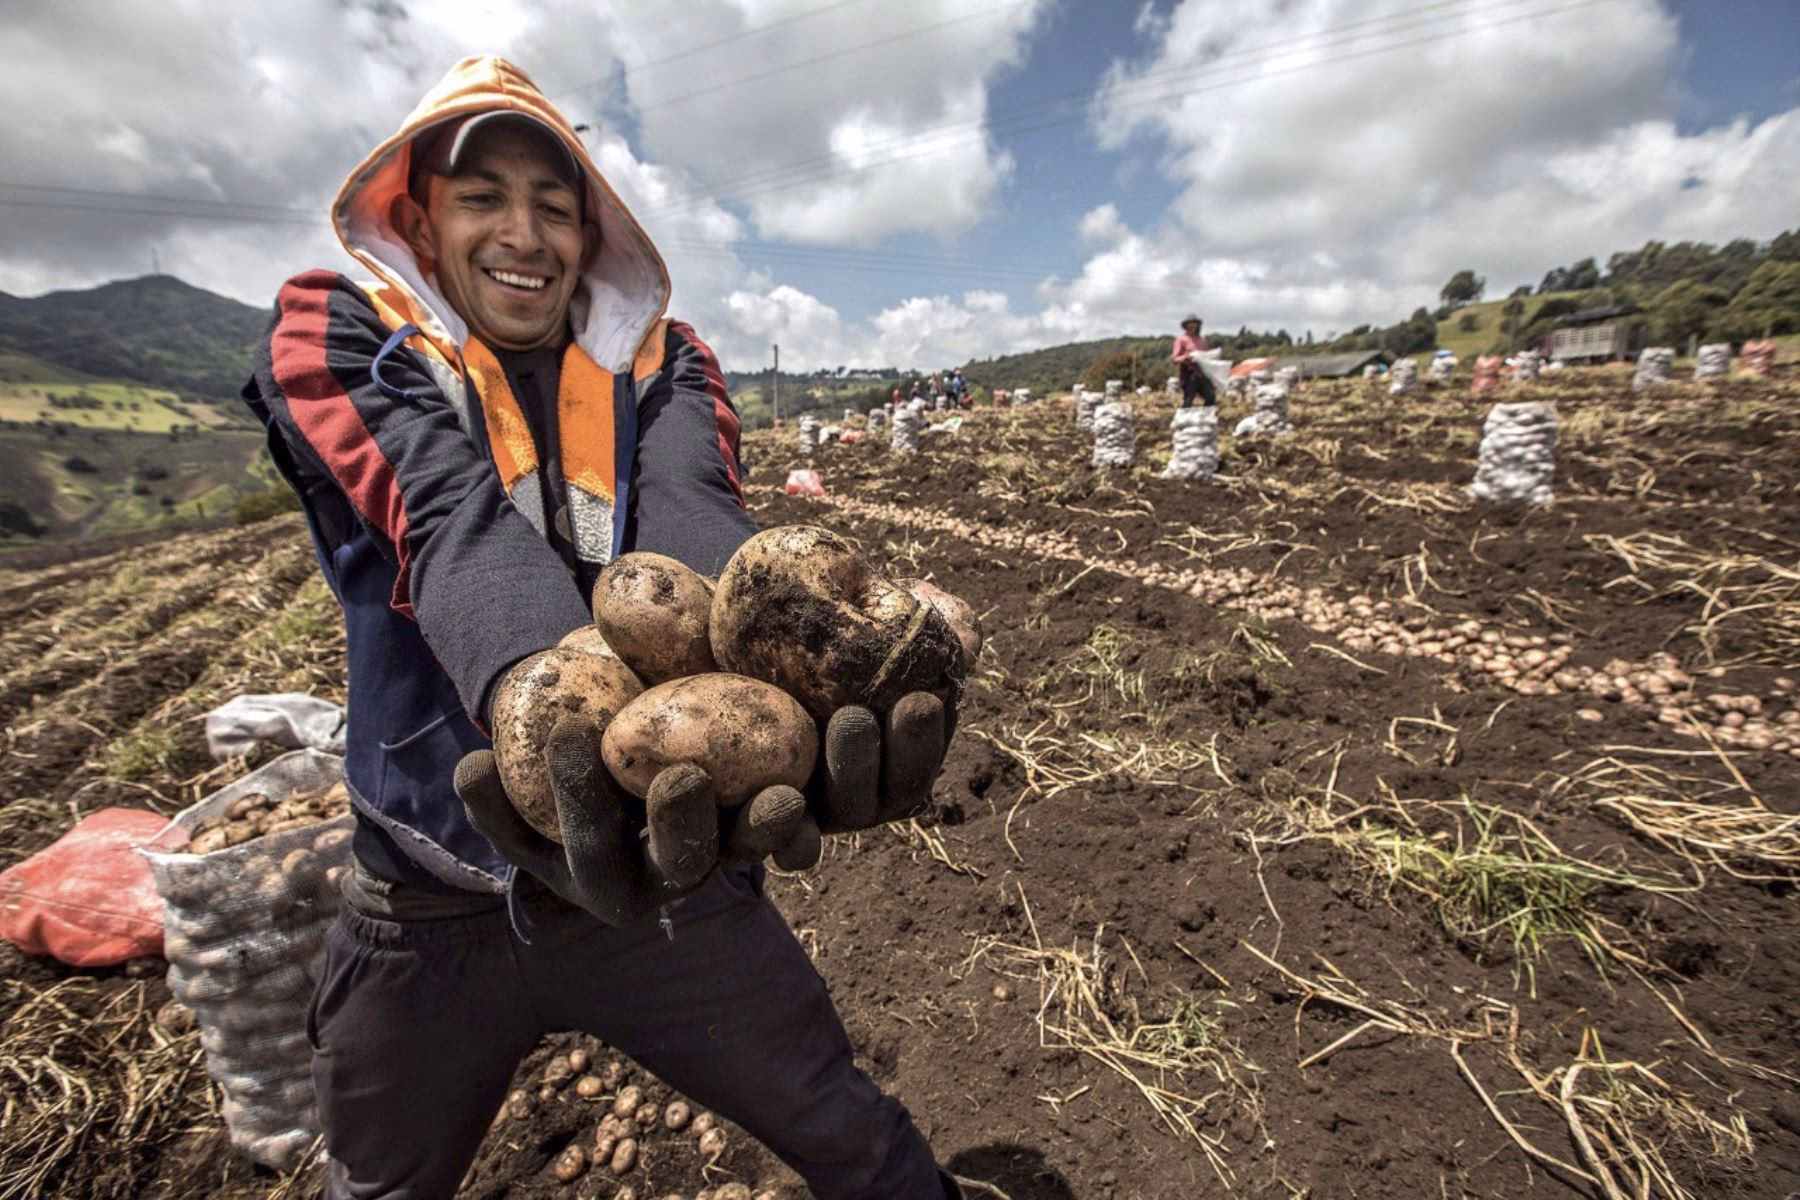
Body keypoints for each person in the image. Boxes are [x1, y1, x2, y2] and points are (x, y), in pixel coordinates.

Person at [244, 55, 968, 1199]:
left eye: (555, 205)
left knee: (850, 1135)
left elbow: (692, 511)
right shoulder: (336, 335)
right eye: (483, 197)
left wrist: (806, 668)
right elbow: (442, 516)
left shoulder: (664, 361)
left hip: (656, 871)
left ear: (592, 234)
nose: (522, 233)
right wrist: (554, 714)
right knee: (377, 1188)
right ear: (422, 219)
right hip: (428, 897)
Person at [1171, 313, 1216, 408]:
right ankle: (1183, 418)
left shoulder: (1202, 340)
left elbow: (1206, 354)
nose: (1192, 326)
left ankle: (1204, 417)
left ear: (1198, 325)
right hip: (1189, 373)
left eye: (1194, 323)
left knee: (1210, 396)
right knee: (1189, 398)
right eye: (1190, 324)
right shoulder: (1181, 339)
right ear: (1186, 326)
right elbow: (1175, 358)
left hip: (1203, 373)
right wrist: (1186, 357)